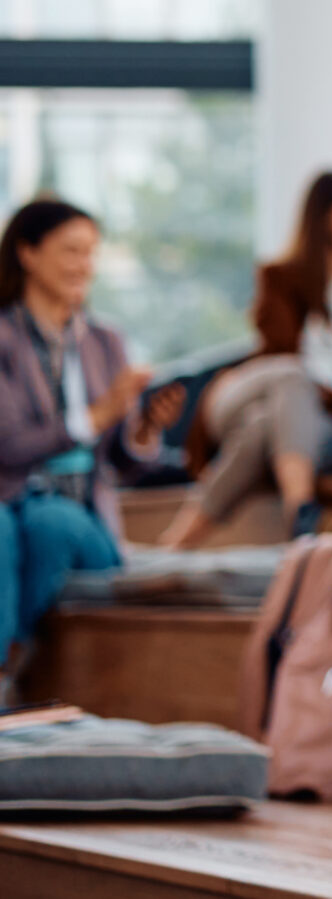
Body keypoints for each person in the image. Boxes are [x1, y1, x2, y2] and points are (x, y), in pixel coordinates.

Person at [0, 200, 183, 694]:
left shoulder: (104, 341)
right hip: (12, 504)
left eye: (91, 253)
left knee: (48, 521)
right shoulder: (4, 339)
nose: (84, 265)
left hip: (85, 520)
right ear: (27, 254)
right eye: (70, 251)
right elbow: (8, 444)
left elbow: (124, 465)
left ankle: (10, 663)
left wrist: (143, 429)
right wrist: (96, 416)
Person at [161, 172, 332, 548]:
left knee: (262, 426)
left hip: (315, 420)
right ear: (325, 217)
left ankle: (177, 544)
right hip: (257, 391)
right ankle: (300, 512)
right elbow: (280, 353)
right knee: (290, 376)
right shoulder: (280, 277)